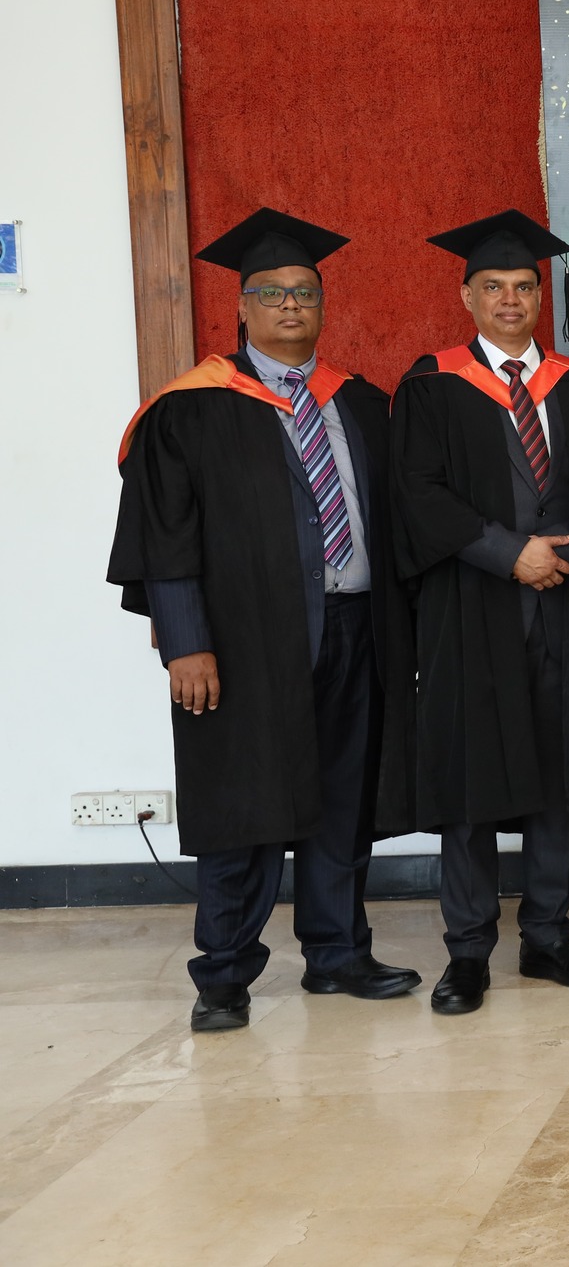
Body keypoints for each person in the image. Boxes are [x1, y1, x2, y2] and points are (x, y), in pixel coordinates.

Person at [109, 208, 420, 1031]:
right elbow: (165, 537)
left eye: (304, 293)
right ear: (242, 306)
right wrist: (186, 645)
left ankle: (337, 952)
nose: (290, 305)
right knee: (242, 802)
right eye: (273, 293)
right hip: (242, 643)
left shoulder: (359, 402)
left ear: (323, 305)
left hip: (356, 628)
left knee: (343, 800)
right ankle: (224, 973)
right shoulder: (189, 410)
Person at [391, 210, 569, 1015]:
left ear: (540, 296)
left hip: (562, 604)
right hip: (471, 606)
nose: (511, 299)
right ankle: (468, 950)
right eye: (495, 286)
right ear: (468, 296)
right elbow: (416, 493)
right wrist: (507, 550)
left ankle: (548, 935)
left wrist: (567, 547)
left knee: (556, 771)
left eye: (524, 286)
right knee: (471, 779)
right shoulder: (432, 385)